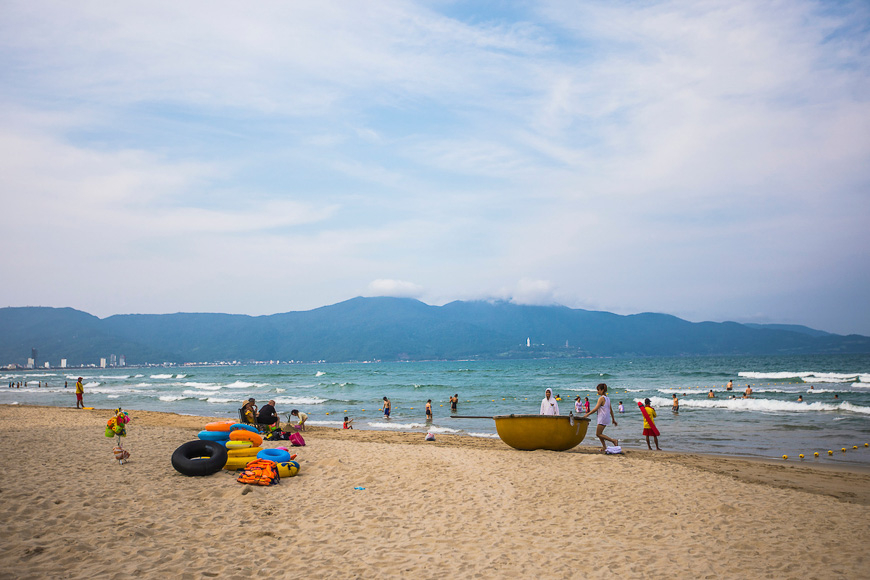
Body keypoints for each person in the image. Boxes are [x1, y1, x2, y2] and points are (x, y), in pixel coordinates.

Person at [583, 383, 618, 451]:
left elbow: (596, 409)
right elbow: (611, 410)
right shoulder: (607, 398)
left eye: (598, 390)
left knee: (598, 434)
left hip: (602, 418)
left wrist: (588, 414)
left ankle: (613, 441)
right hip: (606, 418)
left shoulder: (601, 398)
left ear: (602, 390)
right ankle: (604, 446)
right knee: (600, 433)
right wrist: (613, 419)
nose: (597, 391)